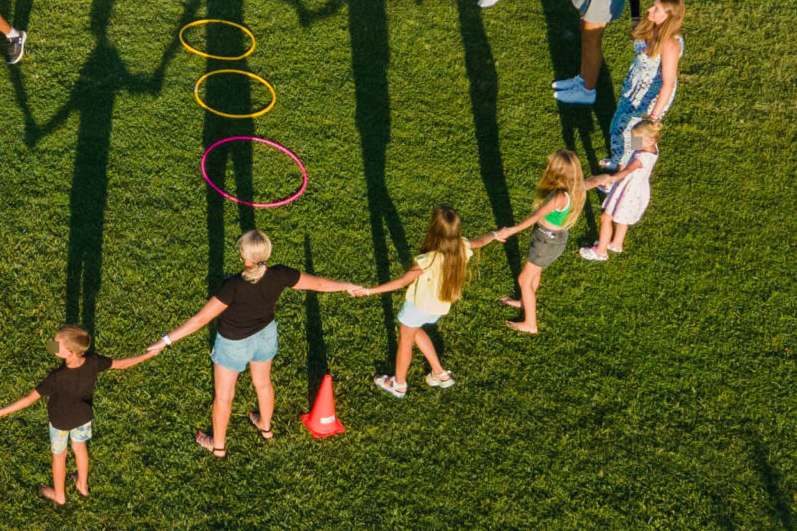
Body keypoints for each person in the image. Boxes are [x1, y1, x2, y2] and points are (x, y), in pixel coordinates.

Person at [151, 229, 360, 450]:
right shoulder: (280, 274)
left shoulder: (233, 286)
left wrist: (165, 340)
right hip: (265, 336)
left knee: (224, 396)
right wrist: (347, 286)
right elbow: (318, 285)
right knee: (263, 383)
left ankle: (218, 446)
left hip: (233, 344)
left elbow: (201, 319)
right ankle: (265, 427)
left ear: (244, 256)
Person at [0, 325, 158, 505]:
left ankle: (59, 496)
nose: (52, 347)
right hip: (83, 417)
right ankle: (82, 485)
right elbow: (122, 364)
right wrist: (148, 354)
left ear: (70, 353)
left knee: (59, 456)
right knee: (80, 448)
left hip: (60, 423)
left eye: (56, 346)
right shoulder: (93, 361)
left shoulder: (57, 378)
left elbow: (28, 399)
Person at [354, 206, 474, 397]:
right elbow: (479, 242)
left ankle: (398, 384)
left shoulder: (429, 260)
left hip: (417, 308)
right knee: (415, 330)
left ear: (434, 230)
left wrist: (369, 291)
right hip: (438, 307)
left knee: (405, 342)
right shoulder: (462, 248)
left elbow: (401, 281)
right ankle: (439, 373)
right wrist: (494, 234)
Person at [490, 149, 585, 335]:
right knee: (534, 273)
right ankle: (525, 302)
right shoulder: (575, 189)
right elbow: (592, 182)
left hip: (545, 240)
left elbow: (536, 215)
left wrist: (512, 230)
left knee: (524, 279)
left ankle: (530, 324)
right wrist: (608, 177)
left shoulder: (559, 197)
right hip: (552, 239)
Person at [600, 0, 685, 170]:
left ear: (668, 16)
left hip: (648, 97)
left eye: (656, 9)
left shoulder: (671, 44)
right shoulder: (653, 27)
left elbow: (668, 83)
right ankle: (618, 160)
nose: (649, 10)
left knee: (633, 136)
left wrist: (653, 117)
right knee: (618, 125)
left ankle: (622, 176)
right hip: (634, 89)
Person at [580, 121, 660, 261]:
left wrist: (612, 178)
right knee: (623, 218)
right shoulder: (652, 148)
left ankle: (601, 251)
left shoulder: (641, 159)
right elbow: (630, 154)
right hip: (637, 189)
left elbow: (627, 171)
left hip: (627, 189)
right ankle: (617, 243)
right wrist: (623, 161)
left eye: (637, 140)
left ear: (651, 139)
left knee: (606, 217)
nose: (634, 142)